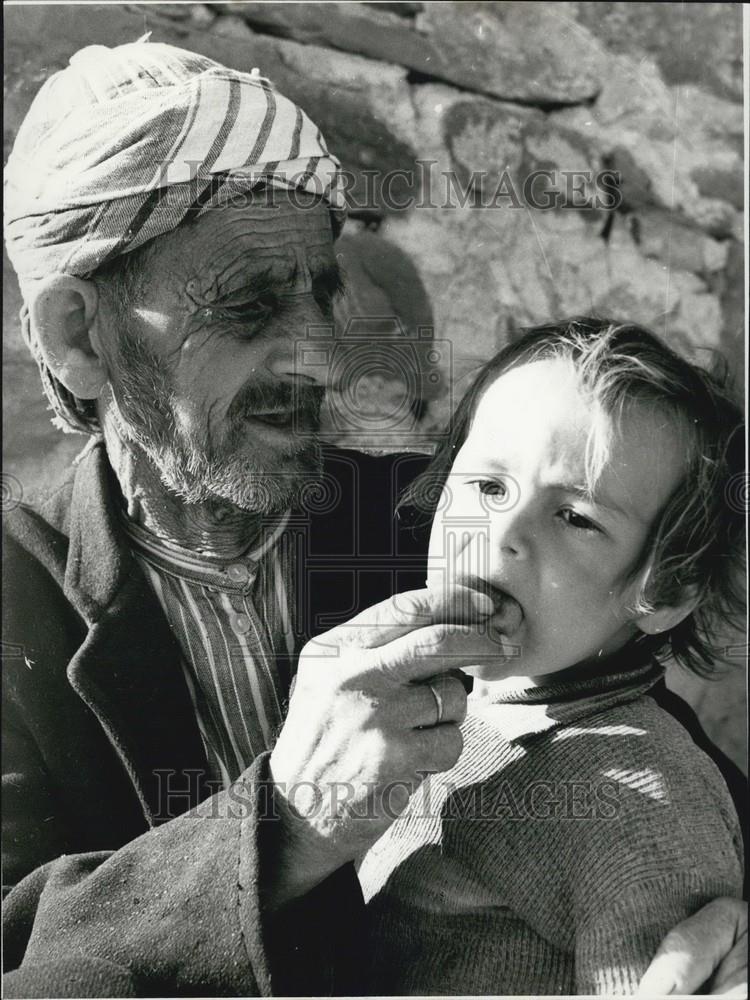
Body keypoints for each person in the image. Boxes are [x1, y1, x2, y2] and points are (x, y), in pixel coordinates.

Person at [2, 39, 746, 998]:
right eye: (248, 305)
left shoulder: (436, 526)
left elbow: (653, 761)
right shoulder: (15, 598)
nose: (321, 356)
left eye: (322, 288)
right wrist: (283, 825)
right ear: (81, 337)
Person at [357, 318, 746, 994]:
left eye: (575, 517)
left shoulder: (634, 799)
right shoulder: (445, 698)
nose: (504, 534)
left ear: (667, 589)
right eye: (487, 487)